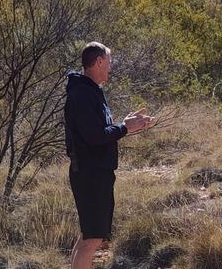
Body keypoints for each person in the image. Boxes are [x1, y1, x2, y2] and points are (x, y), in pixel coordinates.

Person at [64, 42, 154, 269]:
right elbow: (95, 136)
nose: (111, 68)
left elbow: (98, 131)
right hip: (90, 173)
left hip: (94, 172)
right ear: (99, 62)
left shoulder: (90, 91)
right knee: (92, 238)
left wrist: (125, 124)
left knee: (88, 235)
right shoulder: (83, 94)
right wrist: (125, 127)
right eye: (109, 62)